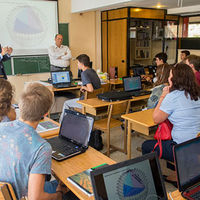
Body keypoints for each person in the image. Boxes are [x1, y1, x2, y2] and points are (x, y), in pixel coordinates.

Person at [0, 83, 67, 199]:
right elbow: (35, 198)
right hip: (21, 196)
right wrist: (59, 194)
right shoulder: (42, 148)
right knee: (66, 186)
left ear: (20, 106)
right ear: (46, 114)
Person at [142, 63, 200, 163]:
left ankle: (155, 176)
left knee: (146, 145)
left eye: (170, 76)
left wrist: (163, 95)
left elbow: (156, 119)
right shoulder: (196, 94)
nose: (168, 78)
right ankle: (176, 172)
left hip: (182, 147)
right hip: (196, 143)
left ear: (175, 79)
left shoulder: (173, 96)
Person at [60, 54, 101, 123]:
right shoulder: (93, 71)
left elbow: (91, 89)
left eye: (78, 63)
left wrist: (83, 87)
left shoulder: (84, 73)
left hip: (86, 102)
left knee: (66, 103)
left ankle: (61, 125)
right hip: (95, 101)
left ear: (82, 64)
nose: (77, 64)